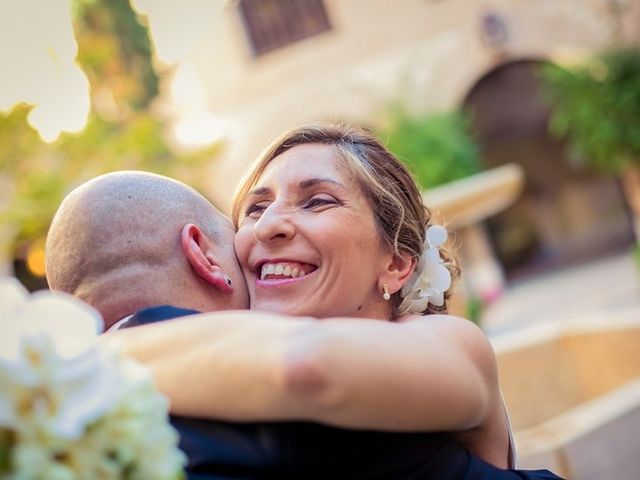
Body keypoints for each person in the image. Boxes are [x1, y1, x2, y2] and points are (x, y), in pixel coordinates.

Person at [100, 125, 562, 479]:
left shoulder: (453, 342)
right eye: (256, 209)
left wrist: (81, 363)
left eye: (317, 201)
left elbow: (308, 366)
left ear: (397, 264)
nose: (267, 227)